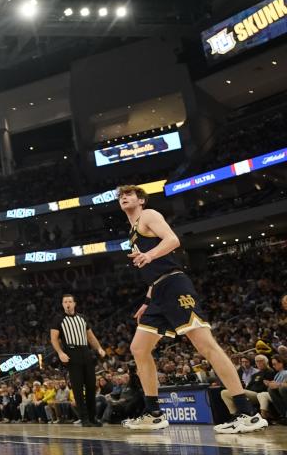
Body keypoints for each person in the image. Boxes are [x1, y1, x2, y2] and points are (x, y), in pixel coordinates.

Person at [118, 184, 269, 434]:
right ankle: (154, 413)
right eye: (121, 196)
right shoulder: (132, 230)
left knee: (205, 345)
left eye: (130, 194)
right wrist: (147, 301)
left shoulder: (149, 215)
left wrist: (151, 255)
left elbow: (172, 240)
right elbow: (151, 269)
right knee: (138, 348)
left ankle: (247, 412)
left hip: (175, 285)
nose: (124, 197)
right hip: (158, 291)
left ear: (141, 200)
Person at [50, 294, 106, 426]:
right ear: (62, 304)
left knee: (91, 386)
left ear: (74, 304)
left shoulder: (82, 318)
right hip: (71, 353)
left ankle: (93, 417)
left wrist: (99, 348)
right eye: (65, 302)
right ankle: (84, 418)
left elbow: (90, 337)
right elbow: (53, 339)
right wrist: (60, 352)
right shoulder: (58, 319)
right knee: (78, 388)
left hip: (85, 352)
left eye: (70, 301)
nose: (68, 303)